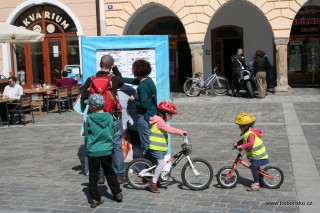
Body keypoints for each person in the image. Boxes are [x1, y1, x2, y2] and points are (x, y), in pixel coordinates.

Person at [81, 55, 126, 184]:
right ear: (111, 65)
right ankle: (119, 174)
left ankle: (100, 175)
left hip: (96, 117)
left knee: (98, 144)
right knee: (117, 146)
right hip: (113, 116)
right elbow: (122, 82)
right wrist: (115, 69)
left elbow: (84, 97)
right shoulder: (114, 79)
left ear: (100, 64)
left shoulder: (91, 79)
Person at [84, 94, 123, 208]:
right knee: (110, 172)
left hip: (94, 151)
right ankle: (117, 193)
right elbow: (112, 132)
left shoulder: (89, 119)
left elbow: (87, 136)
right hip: (107, 150)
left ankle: (95, 198)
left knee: (94, 175)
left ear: (93, 106)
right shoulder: (110, 117)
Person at [123, 59, 158, 164]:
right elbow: (133, 81)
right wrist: (120, 78)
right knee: (150, 144)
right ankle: (154, 170)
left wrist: (133, 101)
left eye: (133, 68)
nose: (132, 70)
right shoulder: (148, 80)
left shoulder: (142, 86)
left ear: (136, 70)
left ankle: (150, 171)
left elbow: (144, 104)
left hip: (144, 117)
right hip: (152, 115)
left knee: (146, 146)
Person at [147, 101, 187, 193]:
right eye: (170, 114)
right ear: (163, 113)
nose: (171, 117)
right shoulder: (160, 121)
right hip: (156, 147)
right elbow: (170, 129)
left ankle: (156, 179)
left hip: (159, 147)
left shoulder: (160, 120)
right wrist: (181, 132)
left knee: (160, 164)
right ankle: (153, 183)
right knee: (161, 164)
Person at [233, 112, 269, 191]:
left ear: (246, 126)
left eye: (240, 126)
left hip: (258, 155)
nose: (239, 127)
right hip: (256, 155)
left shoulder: (250, 134)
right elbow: (245, 139)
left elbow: (251, 143)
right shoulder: (248, 132)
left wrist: (241, 147)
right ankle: (260, 181)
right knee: (256, 168)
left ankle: (256, 184)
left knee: (254, 168)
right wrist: (238, 143)